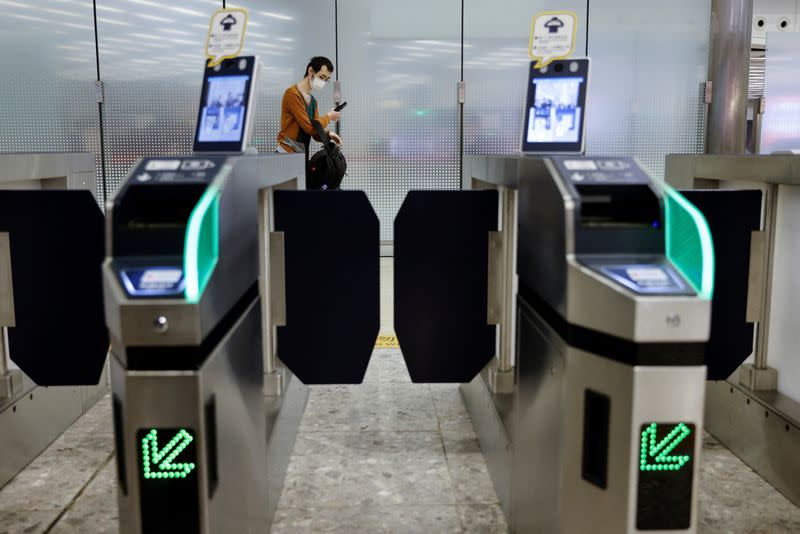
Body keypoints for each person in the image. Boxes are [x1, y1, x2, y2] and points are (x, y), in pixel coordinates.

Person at [276, 56, 342, 156]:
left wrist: (329, 134)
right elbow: (309, 128)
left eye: (326, 80)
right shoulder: (292, 94)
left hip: (301, 154)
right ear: (311, 71)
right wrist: (329, 116)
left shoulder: (313, 102)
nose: (323, 82)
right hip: (286, 152)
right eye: (321, 77)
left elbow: (315, 132)